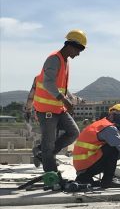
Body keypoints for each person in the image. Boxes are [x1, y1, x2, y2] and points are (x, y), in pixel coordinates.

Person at [31, 29, 87, 172]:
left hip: (58, 108)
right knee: (48, 144)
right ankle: (51, 175)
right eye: (78, 49)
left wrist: (73, 99)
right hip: (46, 110)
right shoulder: (54, 59)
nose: (79, 53)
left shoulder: (64, 61)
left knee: (73, 132)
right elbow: (48, 83)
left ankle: (42, 152)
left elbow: (61, 87)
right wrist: (65, 101)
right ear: (70, 45)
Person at [72, 104, 120, 188]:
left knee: (114, 149)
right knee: (113, 149)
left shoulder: (100, 124)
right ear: (118, 116)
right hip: (86, 165)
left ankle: (85, 178)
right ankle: (108, 180)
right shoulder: (108, 128)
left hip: (82, 166)